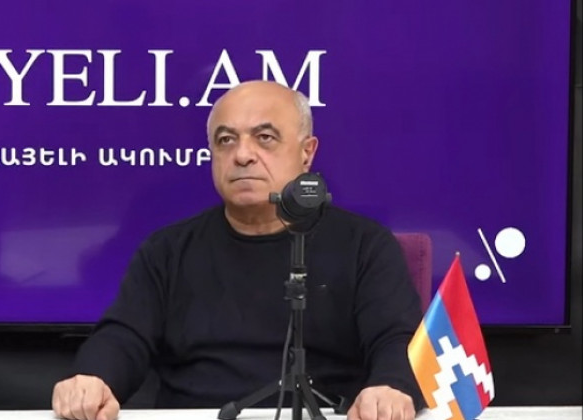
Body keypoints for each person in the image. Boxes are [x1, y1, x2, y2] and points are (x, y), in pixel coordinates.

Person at [52, 80, 425, 420]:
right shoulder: (167, 250)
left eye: (264, 137)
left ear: (307, 152)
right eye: (226, 140)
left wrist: (390, 387)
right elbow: (124, 337)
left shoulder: (364, 245)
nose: (242, 155)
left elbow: (396, 339)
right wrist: (94, 378)